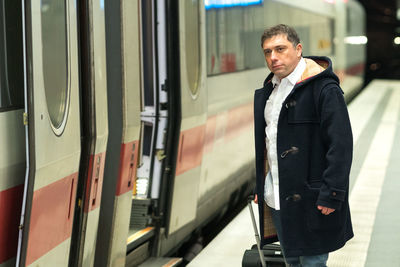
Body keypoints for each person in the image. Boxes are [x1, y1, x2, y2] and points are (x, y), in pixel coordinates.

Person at [253, 24, 353, 267]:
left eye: (280, 49)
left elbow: (340, 146)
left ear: (298, 50)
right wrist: (261, 184)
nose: (273, 57)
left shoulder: (324, 89)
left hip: (312, 198)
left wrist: (332, 195)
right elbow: (270, 144)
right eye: (267, 52)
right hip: (277, 197)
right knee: (292, 262)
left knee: (313, 262)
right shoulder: (269, 91)